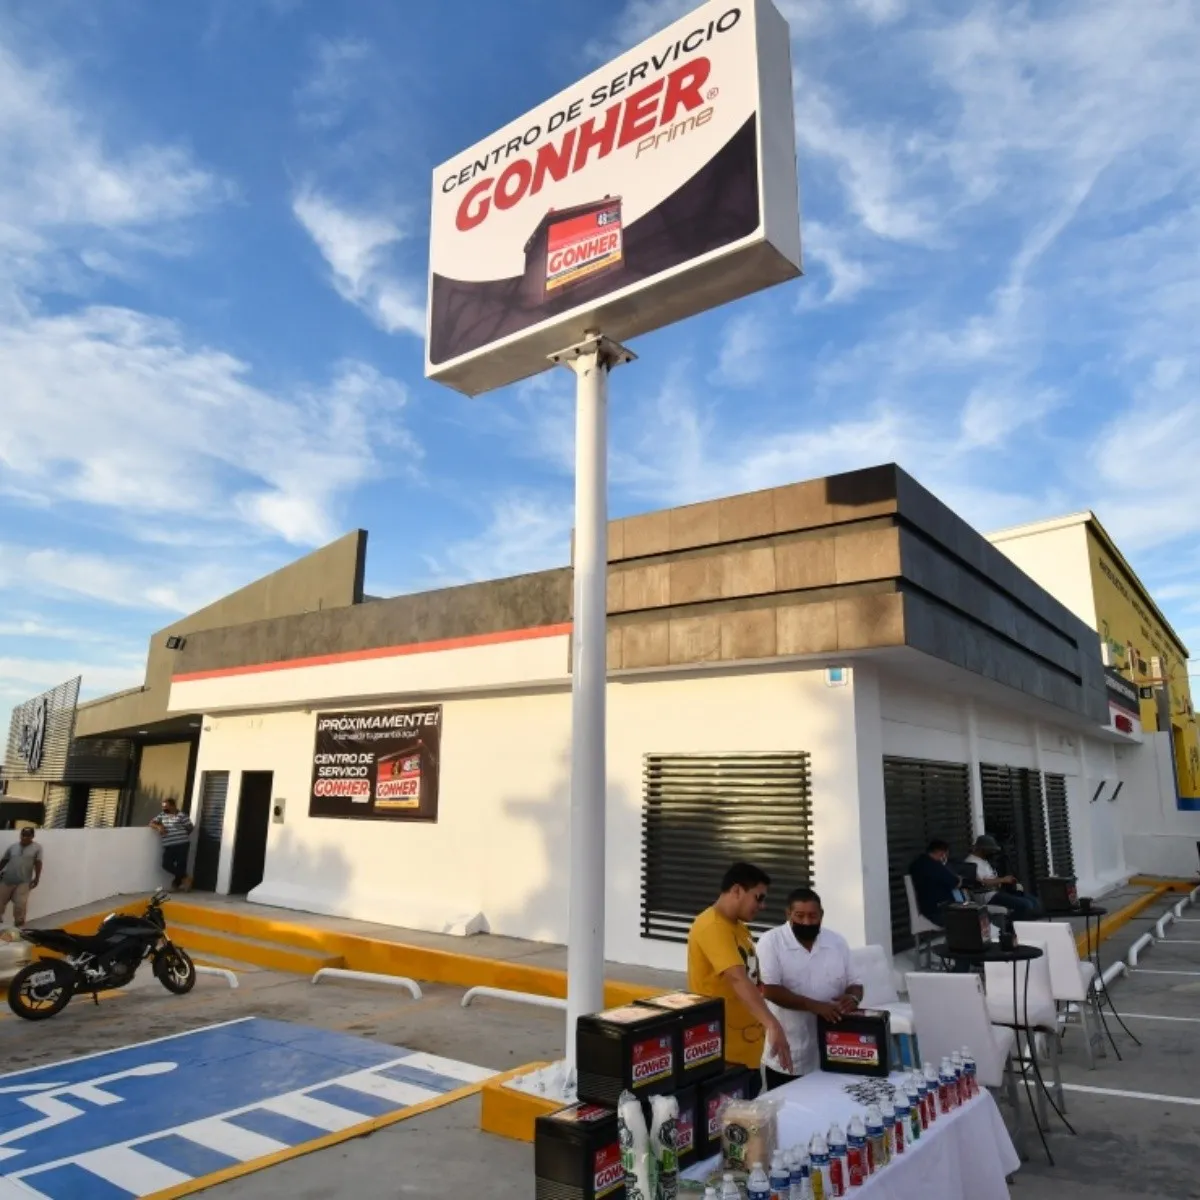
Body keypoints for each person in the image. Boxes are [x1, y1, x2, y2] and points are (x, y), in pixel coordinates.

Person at [687, 863, 793, 1085]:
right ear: (736, 890)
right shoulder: (712, 926)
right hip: (724, 1055)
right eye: (758, 897)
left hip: (746, 1051)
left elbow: (752, 978)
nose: (762, 905)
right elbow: (737, 977)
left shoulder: (738, 927)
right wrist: (772, 1024)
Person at [757, 888, 864, 1090]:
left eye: (812, 916)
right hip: (790, 1050)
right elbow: (769, 990)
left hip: (836, 1048)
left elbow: (856, 983)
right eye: (800, 916)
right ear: (788, 914)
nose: (806, 922)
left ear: (821, 915)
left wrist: (853, 998)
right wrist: (814, 1006)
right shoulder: (770, 941)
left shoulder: (837, 941)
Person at [965, 834, 1040, 917]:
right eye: (990, 850)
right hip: (987, 896)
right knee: (1026, 905)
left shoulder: (984, 860)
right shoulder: (971, 862)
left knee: (1034, 901)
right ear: (982, 849)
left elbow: (993, 877)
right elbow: (981, 882)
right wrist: (1003, 880)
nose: (992, 853)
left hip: (997, 891)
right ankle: (1010, 922)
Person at [908, 838, 965, 928]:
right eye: (946, 854)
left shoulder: (917, 863)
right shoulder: (935, 866)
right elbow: (955, 883)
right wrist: (959, 878)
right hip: (939, 911)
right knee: (973, 916)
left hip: (927, 908)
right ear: (942, 853)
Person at [0, 827, 43, 926]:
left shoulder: (37, 848)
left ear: (32, 836)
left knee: (20, 904)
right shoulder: (13, 847)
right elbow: (4, 860)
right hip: (7, 880)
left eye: (28, 835)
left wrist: (37, 878)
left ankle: (18, 925)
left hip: (23, 882)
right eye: (23, 835)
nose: (25, 837)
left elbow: (38, 863)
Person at [150, 798, 194, 892]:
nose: (164, 808)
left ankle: (175, 886)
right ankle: (186, 878)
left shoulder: (181, 816)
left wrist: (180, 835)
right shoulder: (162, 815)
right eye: (163, 807)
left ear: (173, 806)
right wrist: (159, 827)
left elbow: (190, 827)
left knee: (181, 865)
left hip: (182, 844)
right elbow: (152, 823)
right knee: (166, 864)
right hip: (169, 845)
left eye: (166, 806)